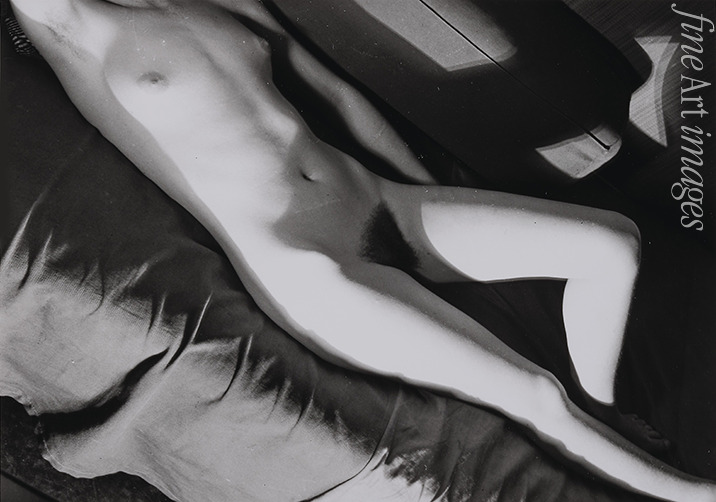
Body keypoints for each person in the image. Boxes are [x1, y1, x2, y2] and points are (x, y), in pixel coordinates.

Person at [10, 0, 716, 500]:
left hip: (380, 201)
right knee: (539, 398)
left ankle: (606, 412)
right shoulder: (69, 25)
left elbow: (329, 92)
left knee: (612, 247)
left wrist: (422, 188)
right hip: (311, 265)